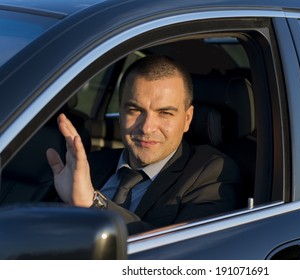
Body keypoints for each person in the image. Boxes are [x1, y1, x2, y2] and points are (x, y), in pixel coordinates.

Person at [46, 55, 243, 234]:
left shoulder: (212, 174)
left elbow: (181, 255)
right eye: (135, 110)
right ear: (121, 112)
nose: (147, 128)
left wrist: (94, 204)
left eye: (165, 113)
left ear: (187, 119)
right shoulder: (90, 166)